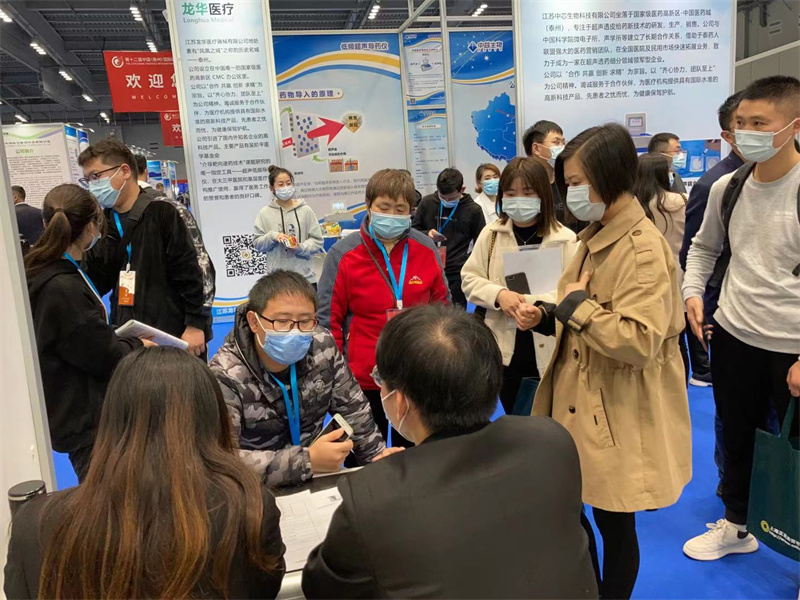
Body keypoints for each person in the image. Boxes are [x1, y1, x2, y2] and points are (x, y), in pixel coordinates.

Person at [302, 304, 598, 600]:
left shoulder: (370, 498)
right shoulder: (551, 441)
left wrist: (387, 483)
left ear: (400, 402)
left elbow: (321, 586)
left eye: (381, 381)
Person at [524, 123, 691, 599]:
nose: (572, 192)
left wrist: (575, 308)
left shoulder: (640, 249)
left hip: (616, 407)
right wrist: (548, 316)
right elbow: (583, 309)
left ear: (610, 176)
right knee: (579, 509)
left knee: (615, 521)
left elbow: (639, 339)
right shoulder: (596, 234)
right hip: (585, 400)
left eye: (578, 182)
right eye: (568, 183)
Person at [4, 347, 286, 599]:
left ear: (111, 418)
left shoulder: (33, 526)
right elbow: (264, 587)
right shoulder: (249, 511)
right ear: (213, 419)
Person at [682, 75, 800, 561]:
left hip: (792, 345)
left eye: (760, 123)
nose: (747, 132)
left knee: (795, 452)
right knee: (735, 438)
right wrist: (692, 291)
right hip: (734, 334)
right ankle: (736, 526)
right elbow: (703, 247)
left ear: (793, 126)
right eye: (741, 123)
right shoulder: (727, 187)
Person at [210, 270, 399, 487]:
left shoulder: (321, 346)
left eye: (305, 321)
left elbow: (355, 412)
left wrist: (379, 461)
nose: (295, 331)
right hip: (255, 488)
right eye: (282, 321)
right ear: (254, 322)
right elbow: (220, 459)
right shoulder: (225, 374)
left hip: (317, 478)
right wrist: (305, 461)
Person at [23, 184, 153, 480]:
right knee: (112, 494)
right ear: (92, 228)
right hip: (87, 420)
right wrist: (138, 345)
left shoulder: (45, 271)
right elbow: (103, 354)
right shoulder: (62, 287)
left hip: (75, 410)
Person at [318, 169, 450, 445]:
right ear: (368, 205)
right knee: (365, 454)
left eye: (400, 209)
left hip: (417, 373)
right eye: (384, 207)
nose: (391, 214)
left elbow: (443, 307)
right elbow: (328, 320)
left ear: (411, 211)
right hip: (362, 378)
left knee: (416, 455)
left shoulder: (425, 248)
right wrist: (339, 376)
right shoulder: (343, 254)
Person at [462, 157, 577, 415]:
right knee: (513, 418)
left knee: (550, 421)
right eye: (511, 193)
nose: (519, 200)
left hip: (551, 347)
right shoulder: (491, 234)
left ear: (543, 195)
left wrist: (536, 306)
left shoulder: (566, 239)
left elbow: (573, 291)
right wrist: (499, 294)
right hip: (504, 350)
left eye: (528, 192)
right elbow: (469, 278)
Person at [79, 138, 212, 358]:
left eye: (96, 176)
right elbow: (99, 275)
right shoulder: (106, 220)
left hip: (173, 331)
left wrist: (196, 324)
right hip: (129, 334)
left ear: (124, 171)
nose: (93, 185)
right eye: (87, 179)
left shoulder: (165, 211)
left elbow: (197, 270)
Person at [678, 92, 744, 389]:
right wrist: (699, 295)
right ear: (728, 135)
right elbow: (696, 249)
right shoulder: (715, 185)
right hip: (728, 309)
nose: (754, 131)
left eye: (761, 123)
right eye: (744, 124)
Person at [632, 154, 690, 383]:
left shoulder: (634, 207)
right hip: (679, 276)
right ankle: (680, 387)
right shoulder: (682, 201)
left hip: (644, 279)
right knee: (678, 340)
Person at [412, 167, 485, 307]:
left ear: (462, 189)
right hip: (429, 268)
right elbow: (414, 230)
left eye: (451, 198)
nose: (446, 201)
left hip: (457, 273)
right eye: (442, 197)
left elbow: (481, 243)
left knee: (455, 313)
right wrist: (427, 234)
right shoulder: (427, 203)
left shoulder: (473, 210)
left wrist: (469, 263)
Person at [254, 166, 324, 286]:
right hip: (277, 281)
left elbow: (317, 241)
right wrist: (273, 236)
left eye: (288, 183)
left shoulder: (305, 210)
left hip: (305, 279)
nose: (286, 187)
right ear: (272, 188)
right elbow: (258, 244)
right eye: (281, 184)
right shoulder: (265, 213)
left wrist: (300, 247)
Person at [522, 119, 582, 230]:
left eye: (563, 143)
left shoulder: (568, 184)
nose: (562, 147)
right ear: (536, 148)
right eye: (556, 142)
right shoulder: (523, 187)